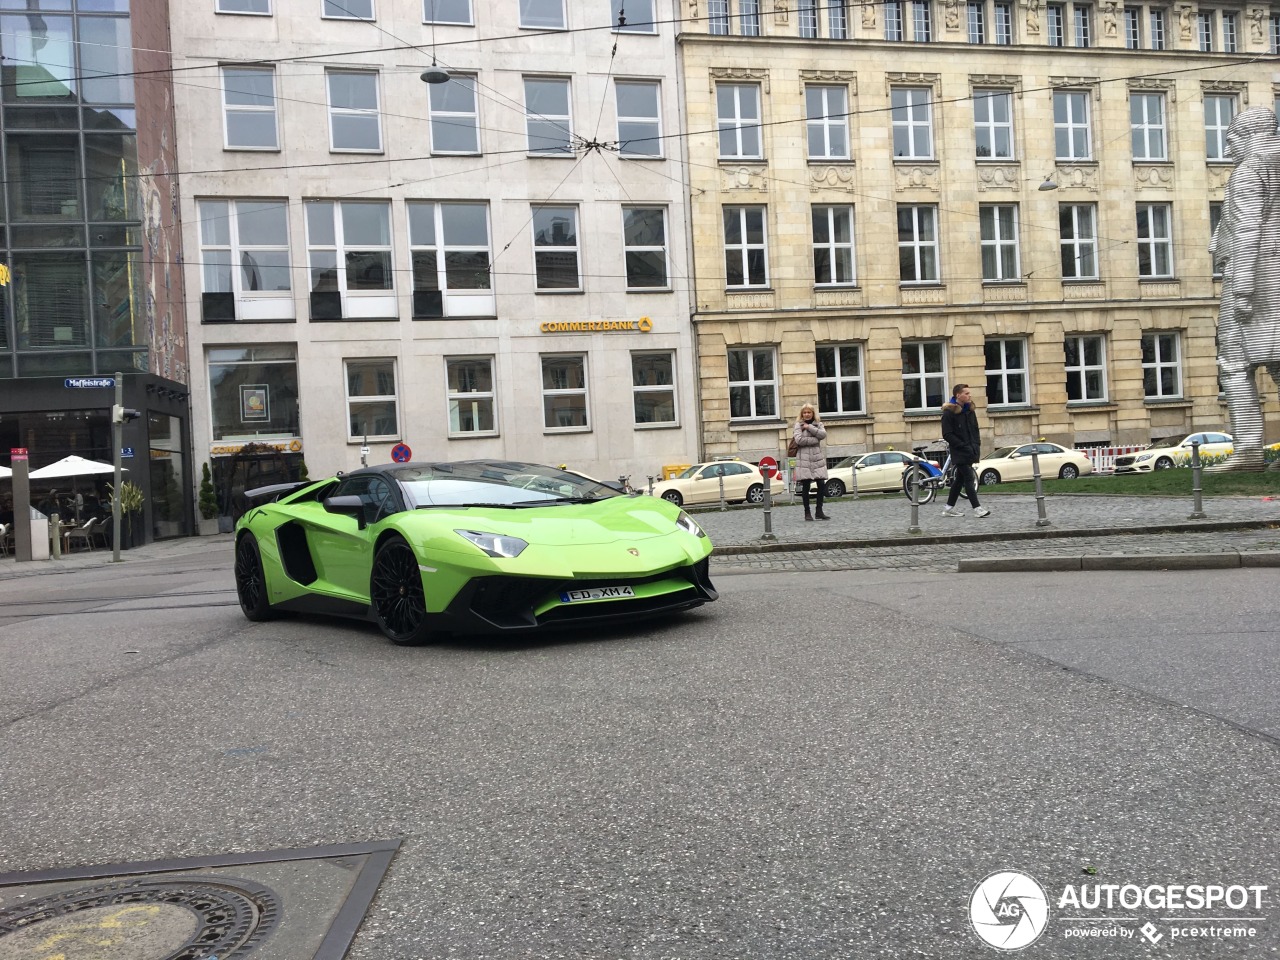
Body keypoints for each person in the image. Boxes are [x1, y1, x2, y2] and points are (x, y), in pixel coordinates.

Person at [1208, 106, 1280, 472]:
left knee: (1233, 364)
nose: (1227, 151)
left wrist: (1242, 289)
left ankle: (1249, 451)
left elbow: (1249, 229)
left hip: (1254, 279)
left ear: (1249, 136)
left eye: (1231, 140)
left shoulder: (1250, 170)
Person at [940, 384, 990, 518]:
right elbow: (947, 434)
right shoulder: (949, 413)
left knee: (959, 480)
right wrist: (962, 445)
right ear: (958, 395)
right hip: (959, 451)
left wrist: (976, 445)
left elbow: (975, 430)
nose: (969, 395)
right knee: (969, 477)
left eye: (969, 393)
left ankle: (948, 507)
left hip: (971, 449)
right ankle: (977, 508)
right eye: (966, 393)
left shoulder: (969, 411)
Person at [793, 403, 830, 521]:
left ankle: (819, 510)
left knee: (821, 485)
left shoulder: (818, 424)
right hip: (804, 459)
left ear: (813, 413)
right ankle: (807, 512)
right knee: (806, 486)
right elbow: (798, 440)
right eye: (804, 412)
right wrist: (815, 440)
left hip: (817, 458)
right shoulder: (798, 425)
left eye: (809, 412)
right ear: (802, 414)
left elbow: (823, 434)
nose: (807, 414)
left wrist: (809, 428)